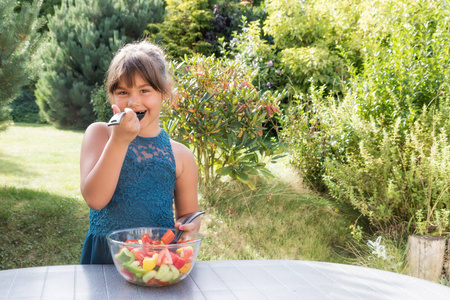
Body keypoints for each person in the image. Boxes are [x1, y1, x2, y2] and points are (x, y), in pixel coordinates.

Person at [80, 40, 200, 264]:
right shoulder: (99, 135)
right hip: (106, 258)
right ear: (112, 95)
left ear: (164, 92)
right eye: (123, 92)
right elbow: (95, 199)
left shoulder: (181, 155)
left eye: (145, 90)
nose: (134, 102)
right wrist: (119, 141)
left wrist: (190, 226)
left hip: (157, 258)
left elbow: (189, 215)